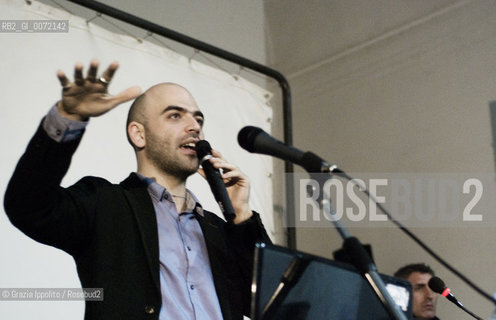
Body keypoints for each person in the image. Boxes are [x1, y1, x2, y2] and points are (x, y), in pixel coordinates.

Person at [4, 60, 270, 320]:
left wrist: (242, 219)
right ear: (138, 134)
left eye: (198, 119)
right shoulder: (105, 204)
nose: (194, 127)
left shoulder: (218, 230)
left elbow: (271, 304)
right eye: (175, 115)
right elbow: (28, 206)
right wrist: (68, 117)